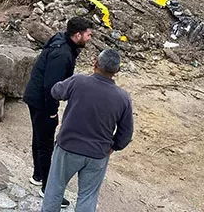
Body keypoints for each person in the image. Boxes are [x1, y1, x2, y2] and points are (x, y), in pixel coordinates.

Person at [41, 49, 134, 212]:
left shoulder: (78, 81)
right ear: (117, 71)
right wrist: (115, 146)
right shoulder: (123, 97)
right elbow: (126, 134)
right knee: (88, 196)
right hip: (98, 154)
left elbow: (56, 91)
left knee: (55, 189)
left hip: (68, 148)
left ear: (95, 63)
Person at [23, 17, 93, 208]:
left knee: (39, 137)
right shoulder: (62, 54)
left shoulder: (61, 40)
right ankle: (47, 188)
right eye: (88, 34)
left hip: (35, 97)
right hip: (42, 101)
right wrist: (52, 112)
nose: (90, 38)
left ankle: (38, 175)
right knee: (46, 144)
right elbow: (50, 87)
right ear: (77, 34)